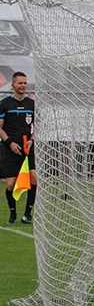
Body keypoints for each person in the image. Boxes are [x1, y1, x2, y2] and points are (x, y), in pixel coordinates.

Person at [0, 71, 36, 224]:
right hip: (10, 148)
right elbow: (0, 128)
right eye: (20, 83)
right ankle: (13, 214)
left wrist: (31, 140)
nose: (23, 86)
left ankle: (27, 214)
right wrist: (10, 143)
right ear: (13, 84)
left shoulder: (31, 104)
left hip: (27, 148)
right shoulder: (5, 104)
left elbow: (37, 125)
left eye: (25, 83)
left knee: (33, 179)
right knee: (10, 184)